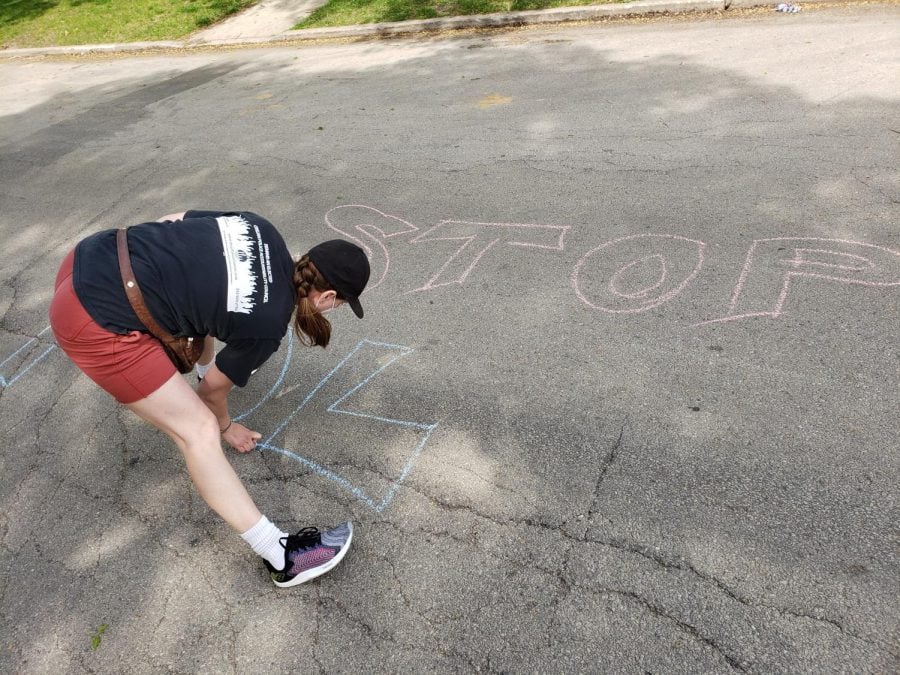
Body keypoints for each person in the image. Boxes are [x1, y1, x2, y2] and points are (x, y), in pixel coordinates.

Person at [48, 209, 371, 588]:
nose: (335, 310)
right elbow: (211, 393)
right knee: (198, 430)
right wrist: (225, 426)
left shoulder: (260, 227)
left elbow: (174, 220)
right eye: (340, 305)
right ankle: (281, 556)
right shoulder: (268, 324)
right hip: (92, 320)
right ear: (328, 296)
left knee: (200, 319)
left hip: (89, 258)